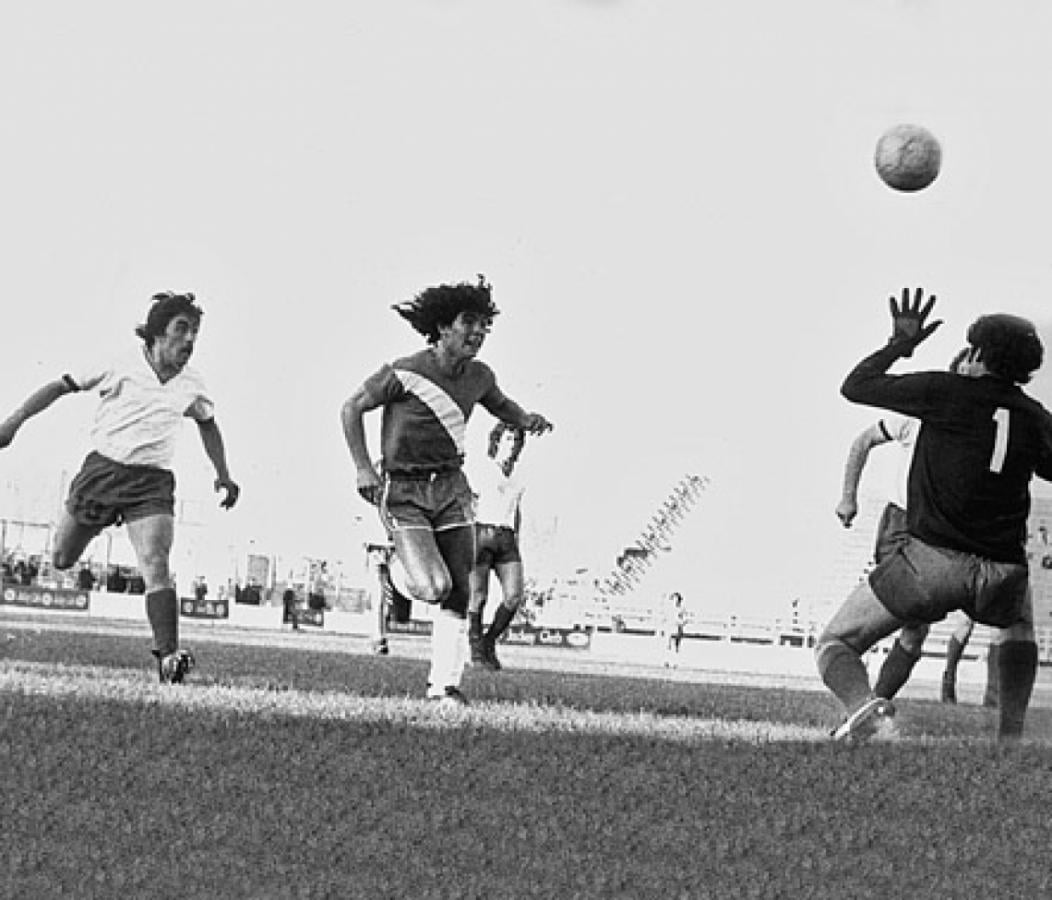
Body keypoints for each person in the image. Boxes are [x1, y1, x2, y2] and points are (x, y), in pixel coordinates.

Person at [816, 288, 1052, 742]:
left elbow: (855, 387)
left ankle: (867, 711)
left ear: (977, 352)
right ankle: (1011, 736)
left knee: (836, 643)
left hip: (932, 564)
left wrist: (899, 345)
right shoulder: (1036, 416)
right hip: (1002, 572)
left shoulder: (946, 391)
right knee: (1019, 623)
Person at [0, 291, 240, 684]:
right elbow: (60, 386)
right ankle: (96, 522)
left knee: (156, 562)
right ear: (157, 333)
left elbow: (207, 423)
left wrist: (223, 473)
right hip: (103, 472)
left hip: (151, 482)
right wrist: (12, 422)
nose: (190, 340)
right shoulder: (119, 363)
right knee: (61, 558)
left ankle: (168, 657)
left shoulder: (193, 383)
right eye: (182, 329)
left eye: (195, 332)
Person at [340, 275, 553, 706]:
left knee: (458, 589)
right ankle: (394, 568)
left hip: (453, 489)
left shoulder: (479, 376)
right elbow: (351, 408)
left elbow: (501, 404)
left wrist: (527, 418)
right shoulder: (404, 371)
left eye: (483, 325)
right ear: (442, 328)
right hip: (404, 491)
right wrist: (363, 467)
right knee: (433, 587)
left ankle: (444, 687)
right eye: (468, 322)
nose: (478, 332)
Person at [836, 349, 998, 703]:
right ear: (954, 370)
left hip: (940, 532)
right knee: (902, 619)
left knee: (915, 630)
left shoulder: (985, 427)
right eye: (972, 363)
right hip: (902, 523)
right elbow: (863, 441)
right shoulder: (918, 414)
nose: (978, 374)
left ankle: (873, 704)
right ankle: (862, 693)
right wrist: (849, 496)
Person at [467, 422, 529, 671]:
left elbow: (517, 509)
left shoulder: (520, 474)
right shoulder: (482, 468)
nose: (511, 445)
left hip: (506, 537)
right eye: (507, 439)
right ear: (496, 441)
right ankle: (476, 651)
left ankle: (489, 640)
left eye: (515, 440)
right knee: (478, 596)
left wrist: (517, 538)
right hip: (481, 531)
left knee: (513, 596)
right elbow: (468, 501)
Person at [655, 590, 687, 667]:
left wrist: (681, 623)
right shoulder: (668, 609)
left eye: (677, 599)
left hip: (677, 629)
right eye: (674, 599)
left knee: (676, 646)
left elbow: (684, 620)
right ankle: (667, 661)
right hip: (669, 628)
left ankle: (675, 662)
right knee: (667, 646)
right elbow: (663, 617)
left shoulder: (681, 609)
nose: (675, 601)